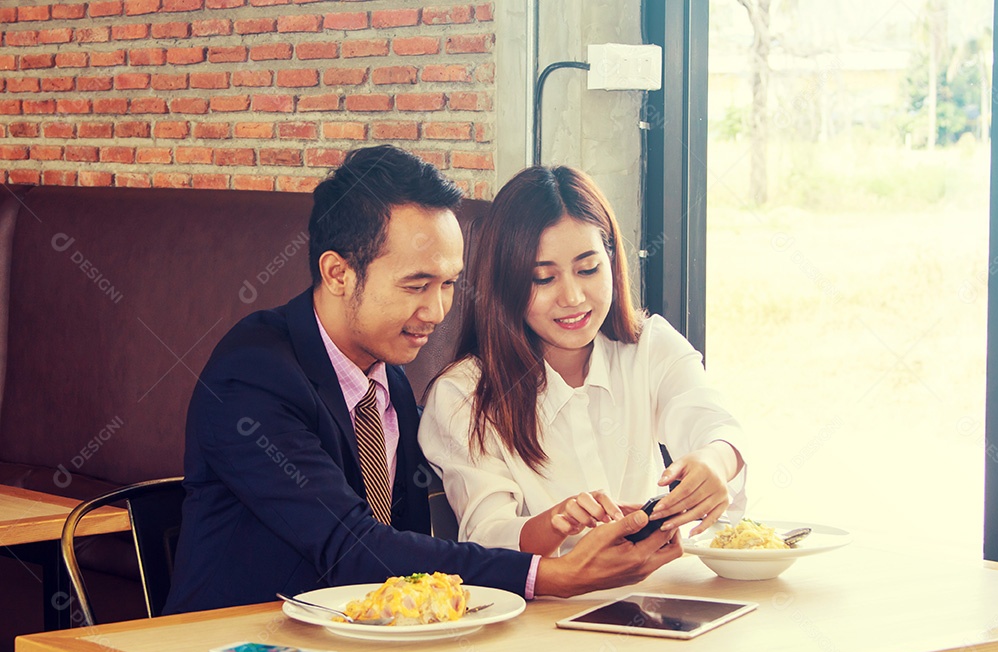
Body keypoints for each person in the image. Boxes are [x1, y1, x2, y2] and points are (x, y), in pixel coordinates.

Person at [164, 147, 681, 615]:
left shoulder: (389, 380)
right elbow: (351, 547)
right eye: (417, 285)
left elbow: (404, 557)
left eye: (449, 284)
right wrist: (550, 575)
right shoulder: (252, 375)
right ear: (338, 273)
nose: (436, 311)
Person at [418, 166, 747, 557]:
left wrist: (714, 460)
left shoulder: (649, 346)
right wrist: (557, 522)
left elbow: (713, 422)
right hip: (546, 611)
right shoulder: (463, 394)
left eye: (588, 269)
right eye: (543, 278)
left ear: (611, 261)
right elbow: (487, 533)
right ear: (505, 283)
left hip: (656, 594)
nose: (572, 297)